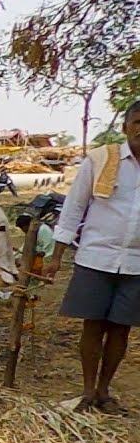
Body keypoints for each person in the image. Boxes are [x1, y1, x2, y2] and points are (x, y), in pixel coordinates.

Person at [43, 100, 140, 415]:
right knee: (92, 326)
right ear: (125, 126)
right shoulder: (101, 159)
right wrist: (56, 257)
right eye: (137, 122)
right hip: (95, 258)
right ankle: (87, 391)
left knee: (120, 329)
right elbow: (73, 208)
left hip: (137, 264)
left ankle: (104, 391)